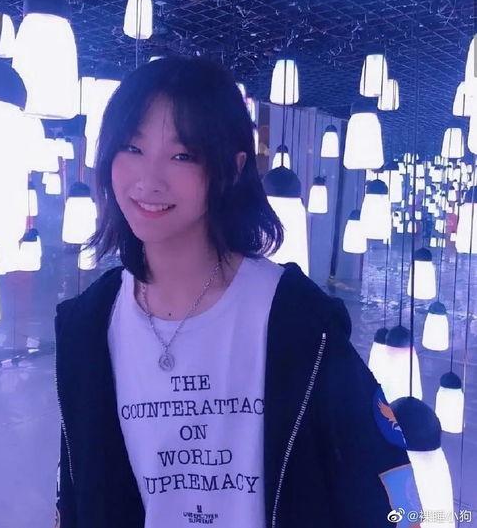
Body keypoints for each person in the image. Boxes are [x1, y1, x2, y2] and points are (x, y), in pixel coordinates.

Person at [54, 57, 421, 528]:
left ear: (231, 166)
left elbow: (391, 490)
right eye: (132, 148)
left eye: (182, 155)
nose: (149, 179)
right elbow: (75, 493)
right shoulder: (86, 328)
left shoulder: (298, 320)